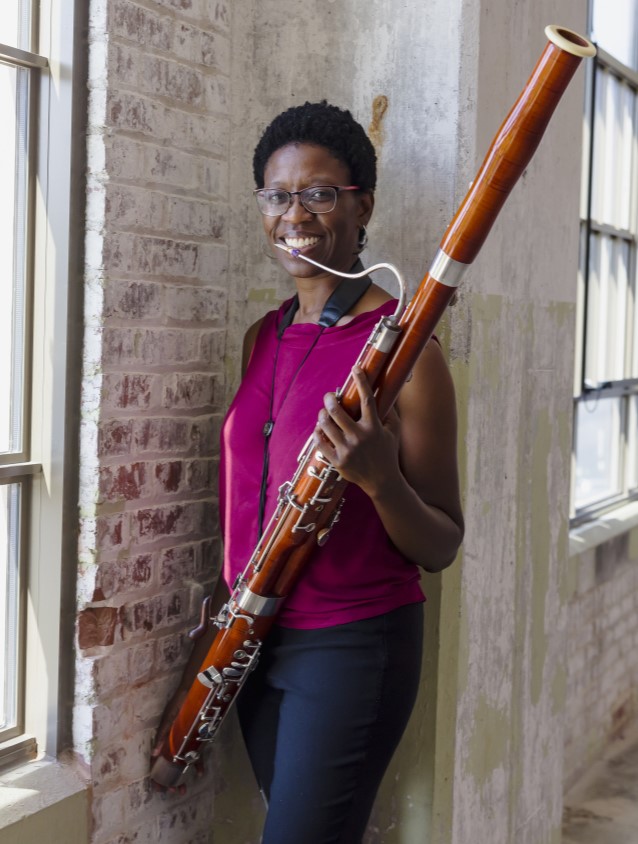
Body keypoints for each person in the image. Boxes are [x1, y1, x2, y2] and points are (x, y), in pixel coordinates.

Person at [152, 101, 464, 844]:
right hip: (252, 641)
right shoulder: (263, 335)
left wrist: (381, 478)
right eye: (277, 195)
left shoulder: (406, 353)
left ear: (362, 207)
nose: (296, 214)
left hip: (353, 643)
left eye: (319, 193)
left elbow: (442, 543)